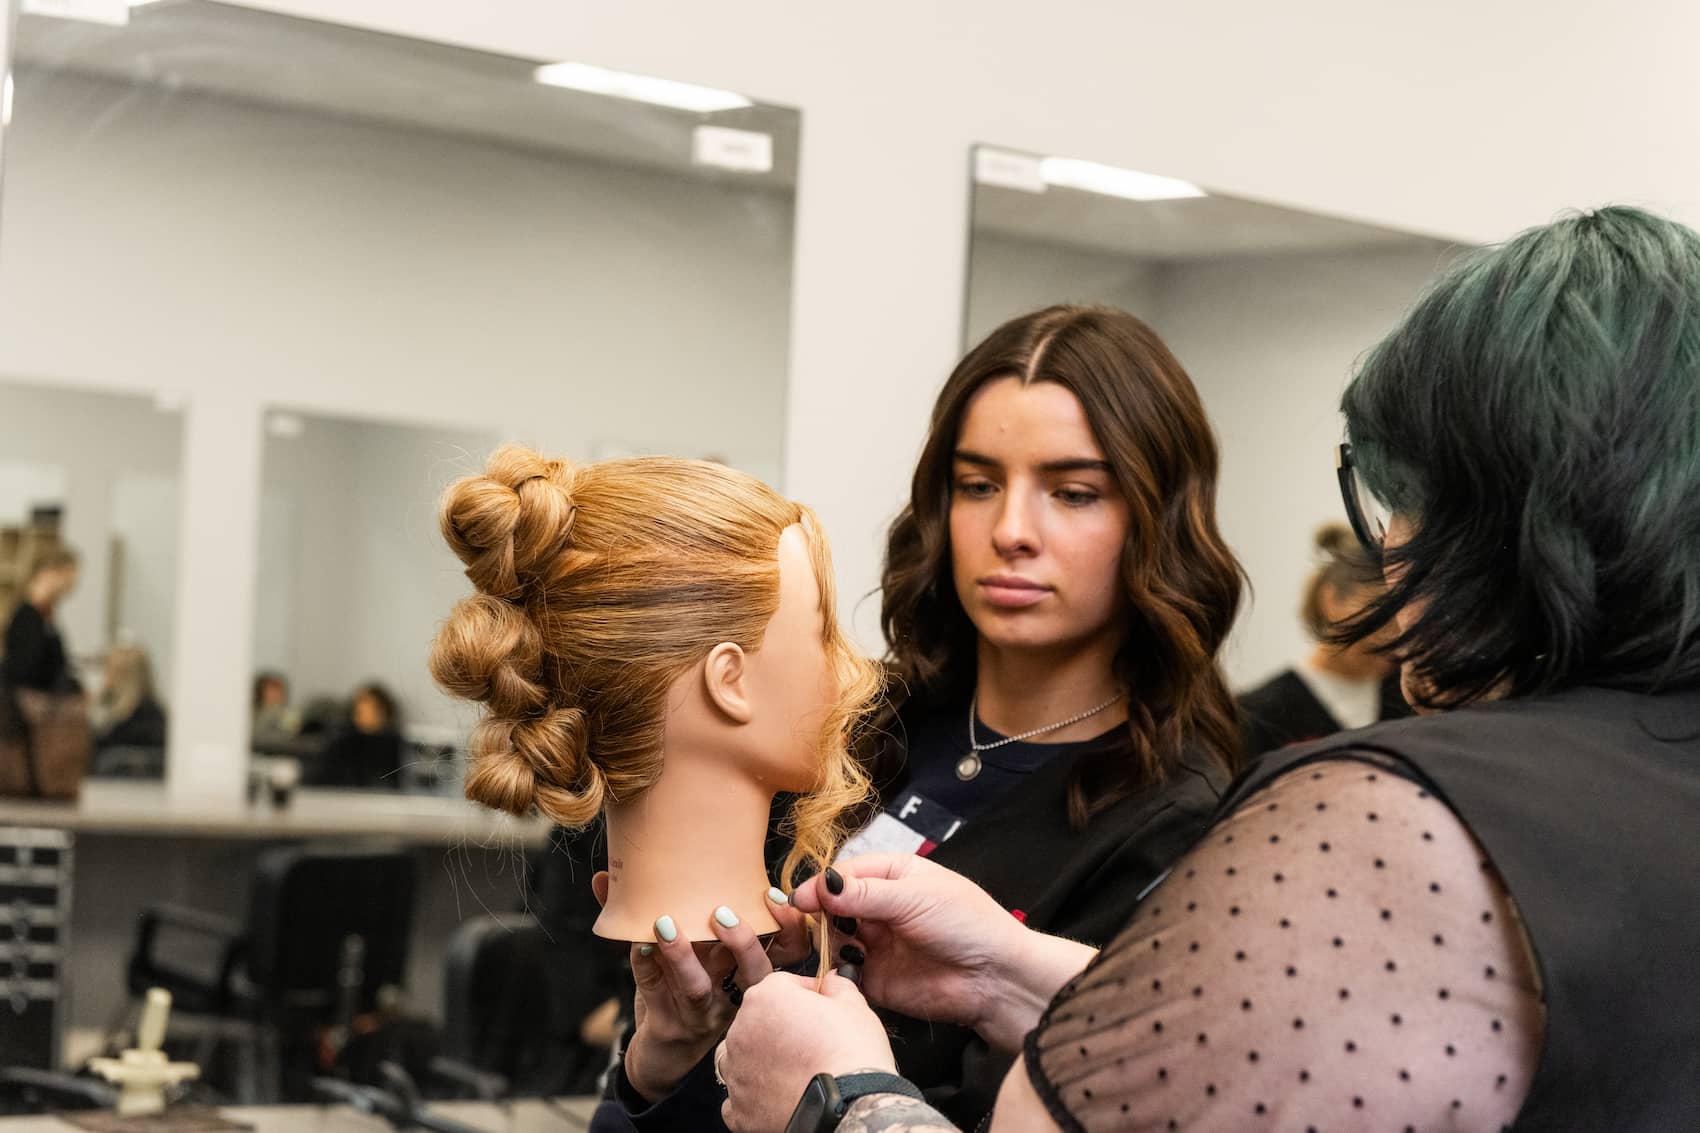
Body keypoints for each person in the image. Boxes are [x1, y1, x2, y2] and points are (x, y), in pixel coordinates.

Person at [713, 206, 1700, 1133]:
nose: (1389, 545)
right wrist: (1006, 973)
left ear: (1491, 516)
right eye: (975, 485)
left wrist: (837, 1100)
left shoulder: (1393, 816)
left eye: (1400, 496)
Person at [602, 304, 1248, 1130]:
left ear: (1157, 519)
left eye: (1073, 492)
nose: (1011, 530)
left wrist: (831, 1088)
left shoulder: (1171, 820)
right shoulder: (855, 725)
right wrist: (660, 1065)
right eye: (978, 485)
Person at [1237, 523, 1409, 756]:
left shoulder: (1411, 696)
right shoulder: (1261, 712)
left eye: (1398, 620)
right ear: (1330, 600)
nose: (1388, 637)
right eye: (1376, 618)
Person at [2, 548, 82, 694]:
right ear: (48, 573)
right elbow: (26, 667)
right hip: (30, 699)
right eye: (67, 575)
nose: (71, 583)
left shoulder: (45, 615)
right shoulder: (28, 617)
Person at [315, 682, 404, 789]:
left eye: (367, 708)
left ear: (382, 712)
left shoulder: (396, 747)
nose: (359, 713)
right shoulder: (342, 744)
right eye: (357, 709)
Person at [91, 645, 166, 750]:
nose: (105, 679)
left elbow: (97, 748)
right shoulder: (157, 715)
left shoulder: (126, 723)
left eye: (108, 671)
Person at [252, 671, 303, 748]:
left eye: (278, 689)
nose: (276, 694)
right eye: (272, 689)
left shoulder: (289, 714)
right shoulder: (252, 714)